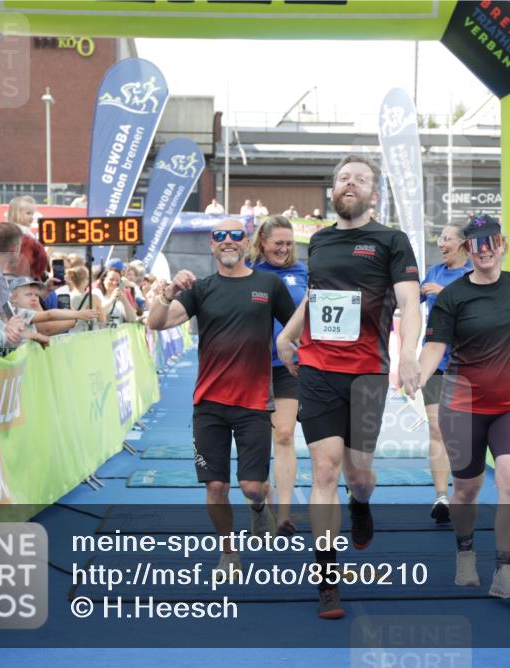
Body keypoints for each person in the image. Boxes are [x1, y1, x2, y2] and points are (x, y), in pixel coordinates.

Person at [275, 154, 422, 619]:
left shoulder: (391, 240)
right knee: (323, 470)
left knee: (358, 473)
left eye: (360, 178)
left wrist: (411, 353)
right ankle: (327, 580)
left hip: (367, 373)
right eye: (343, 177)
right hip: (317, 369)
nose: (350, 183)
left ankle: (361, 503)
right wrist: (287, 334)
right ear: (334, 190)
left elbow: (410, 303)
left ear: (373, 194)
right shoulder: (317, 241)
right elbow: (317, 298)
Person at [418, 215, 510, 599]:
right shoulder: (452, 296)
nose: (484, 250)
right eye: (476, 244)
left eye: (491, 242)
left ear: (502, 245)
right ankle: (465, 553)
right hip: (463, 407)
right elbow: (434, 348)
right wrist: (416, 374)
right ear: (469, 250)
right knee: (466, 489)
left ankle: (505, 570)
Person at [146, 218, 296, 577]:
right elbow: (156, 323)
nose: (227, 241)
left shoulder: (269, 284)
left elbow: (295, 329)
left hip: (254, 402)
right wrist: (165, 295)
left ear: (247, 243)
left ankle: (259, 510)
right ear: (211, 246)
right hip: (209, 405)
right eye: (219, 236)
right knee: (216, 486)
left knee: (253, 487)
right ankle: (229, 553)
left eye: (235, 236)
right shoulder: (202, 289)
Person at [250, 215, 308, 536]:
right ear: (262, 242)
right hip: (252, 368)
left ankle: (283, 514)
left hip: (288, 366)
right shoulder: (248, 271)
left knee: (284, 434)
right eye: (278, 243)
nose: (284, 249)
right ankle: (261, 503)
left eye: (289, 243)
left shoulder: (303, 273)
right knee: (256, 444)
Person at [418, 222, 472, 523]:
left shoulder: (471, 275)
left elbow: (477, 304)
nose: (441, 244)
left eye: (447, 239)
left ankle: (463, 494)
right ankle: (441, 497)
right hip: (435, 362)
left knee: (461, 433)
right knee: (436, 428)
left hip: (466, 364)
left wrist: (444, 291)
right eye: (440, 238)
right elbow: (411, 300)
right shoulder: (435, 271)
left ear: (464, 244)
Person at [8, 276, 99, 333]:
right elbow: (49, 319)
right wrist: (77, 316)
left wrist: (46, 290)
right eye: (28, 294)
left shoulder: (27, 310)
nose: (34, 298)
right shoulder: (19, 313)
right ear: (13, 298)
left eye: (36, 295)